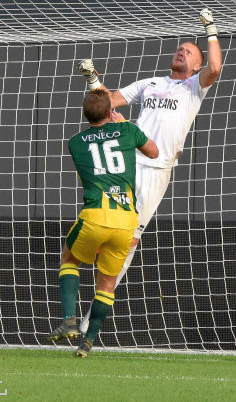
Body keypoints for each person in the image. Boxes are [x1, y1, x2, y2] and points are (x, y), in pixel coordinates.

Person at [76, 8, 222, 332]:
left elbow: (216, 67)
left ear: (196, 65)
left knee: (127, 241)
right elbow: (108, 104)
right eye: (180, 48)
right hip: (127, 162)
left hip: (155, 169)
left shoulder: (195, 87)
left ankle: (93, 316)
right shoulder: (151, 83)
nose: (181, 51)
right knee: (103, 226)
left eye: (189, 51)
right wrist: (94, 82)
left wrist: (210, 28)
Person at [48, 89, 159, 357]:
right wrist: (122, 125)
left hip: (95, 215)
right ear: (111, 113)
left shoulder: (75, 142)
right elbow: (154, 152)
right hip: (125, 222)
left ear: (85, 115)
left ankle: (69, 320)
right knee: (107, 285)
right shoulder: (128, 131)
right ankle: (88, 342)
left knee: (69, 259)